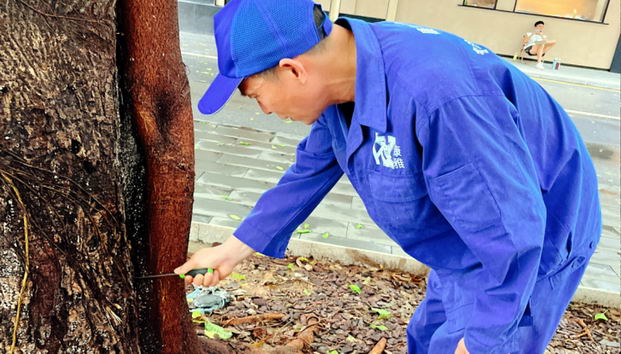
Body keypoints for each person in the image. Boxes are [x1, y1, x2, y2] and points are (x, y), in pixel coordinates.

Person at [175, 0, 601, 352]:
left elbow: (513, 236)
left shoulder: (439, 98)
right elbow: (307, 174)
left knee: (475, 340)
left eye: (255, 95)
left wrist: (482, 342)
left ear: (292, 70)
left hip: (534, 241)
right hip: (466, 239)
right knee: (426, 339)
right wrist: (229, 252)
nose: (264, 109)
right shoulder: (343, 74)